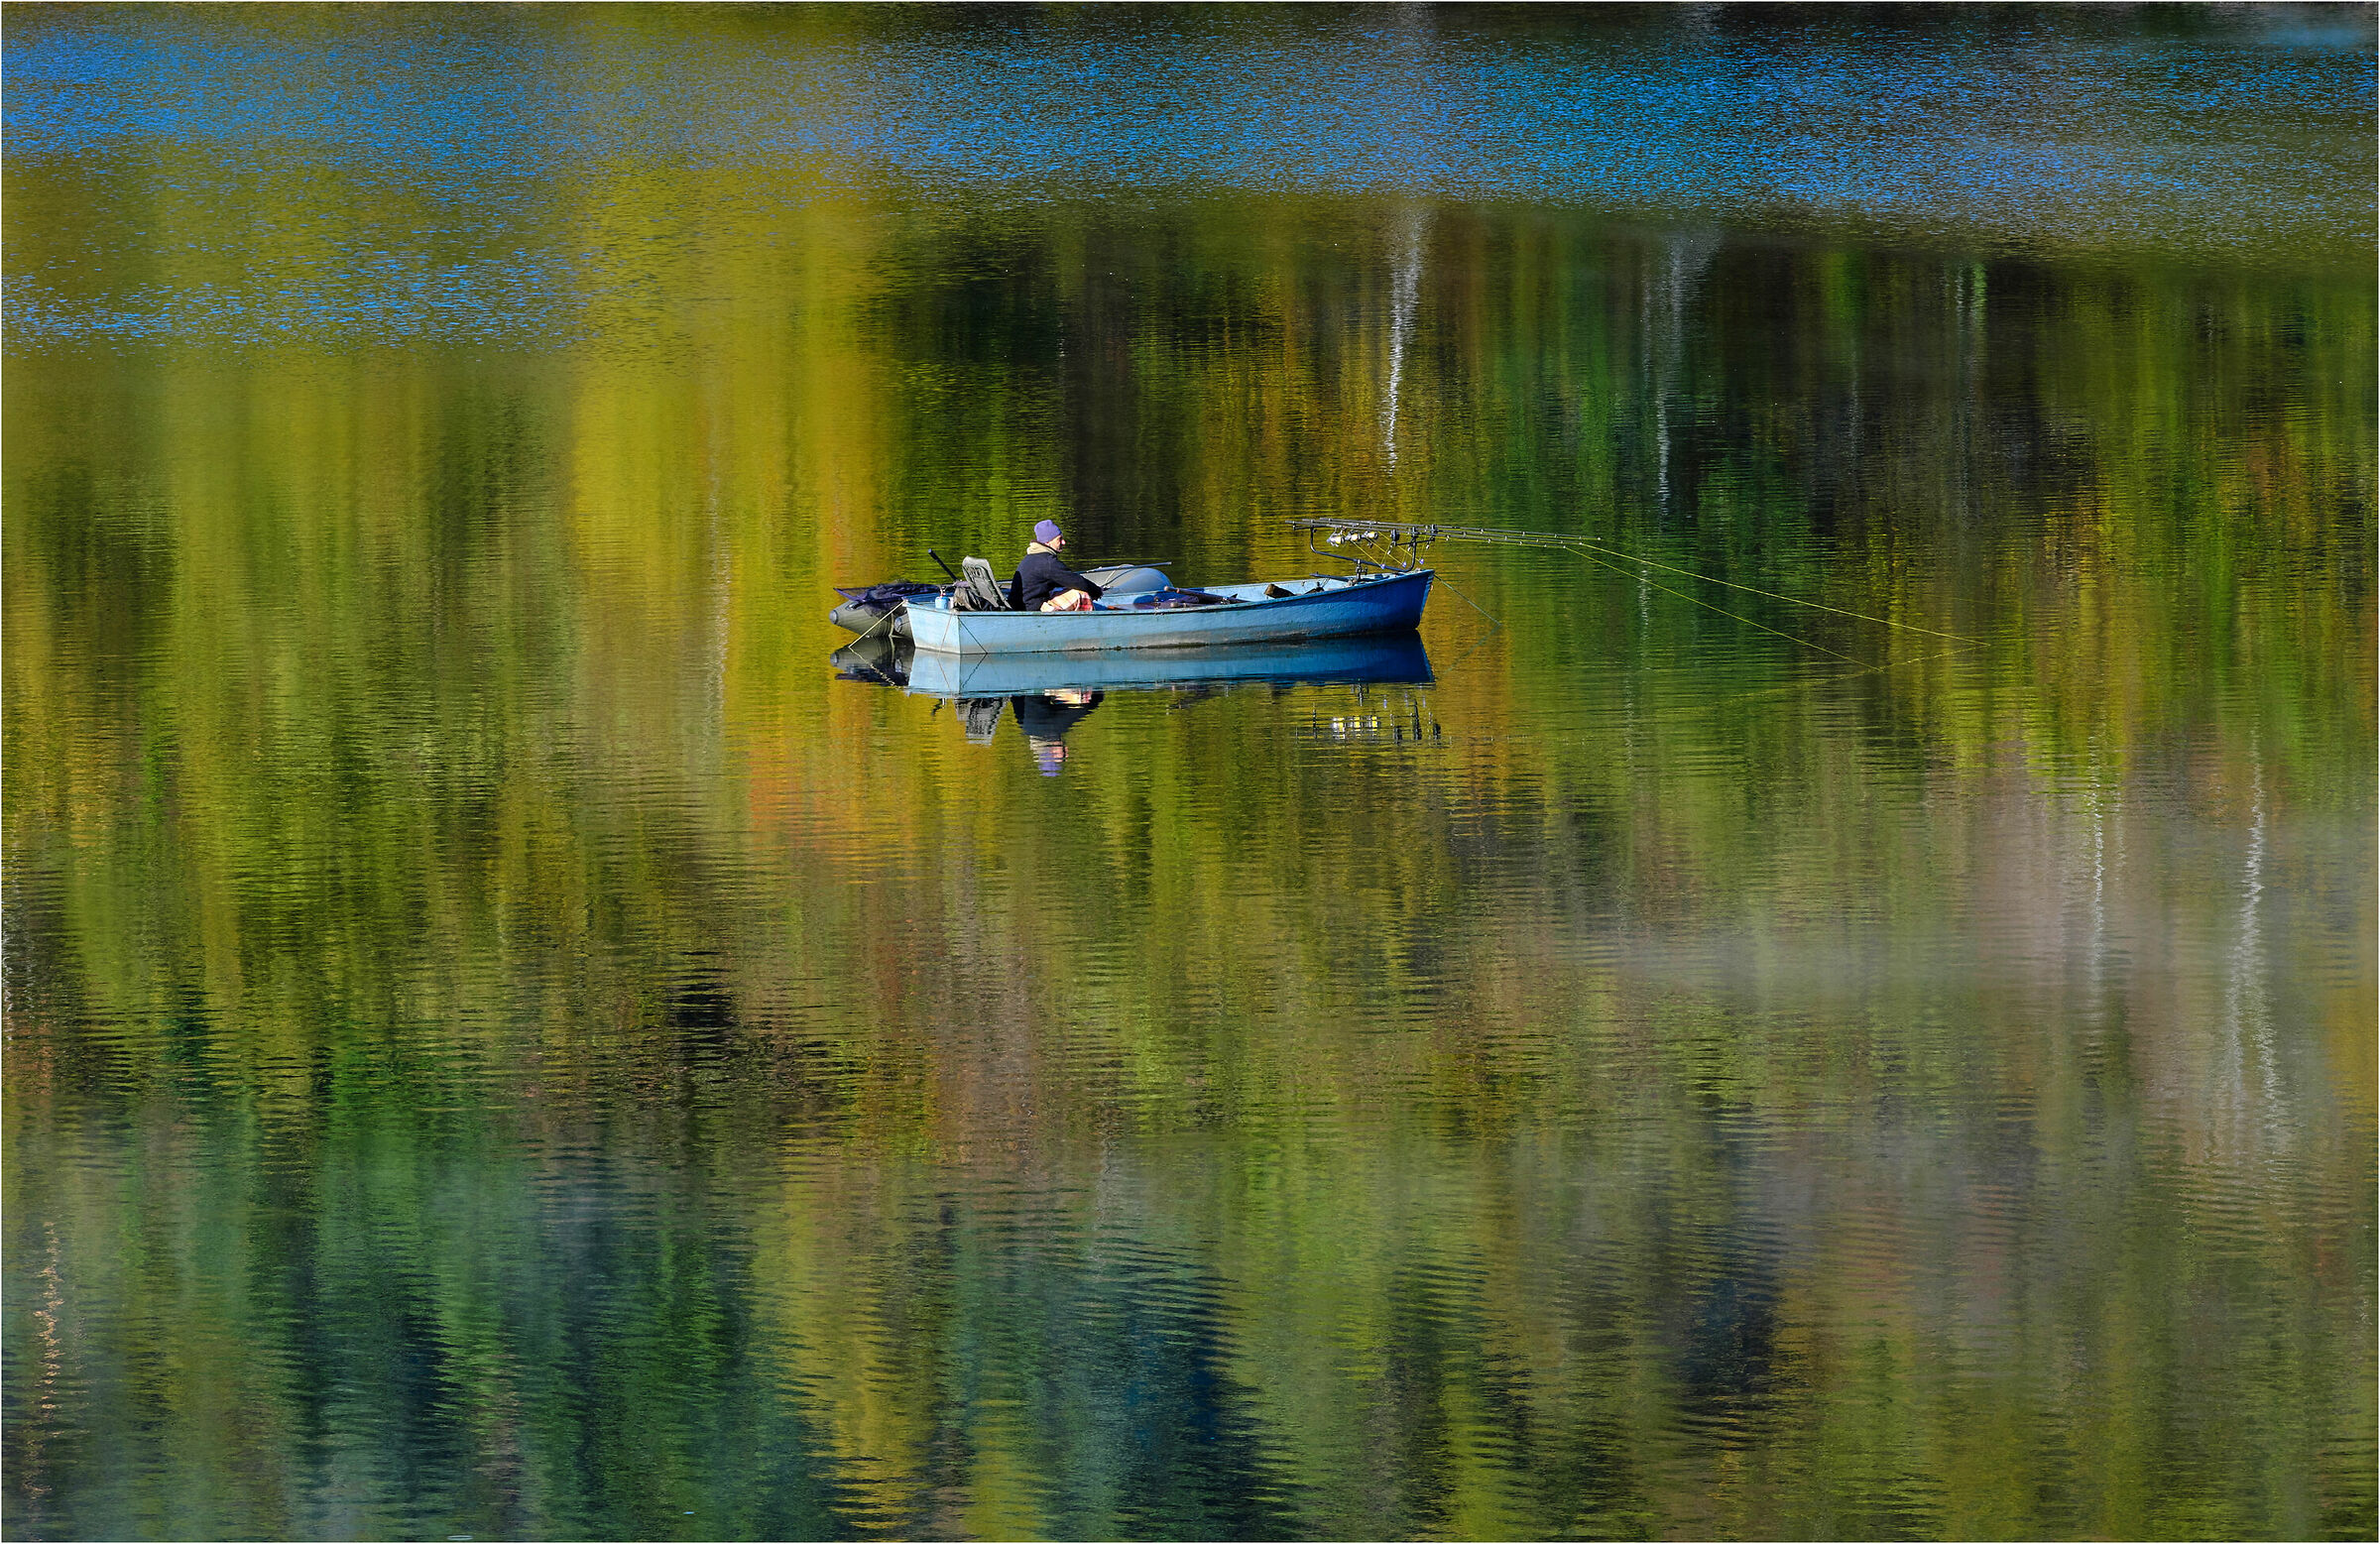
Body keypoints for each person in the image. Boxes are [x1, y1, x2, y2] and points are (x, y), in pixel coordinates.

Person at [1009, 520, 1105, 613]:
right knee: (1081, 594)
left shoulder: (1031, 557)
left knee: (1063, 588)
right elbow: (1077, 582)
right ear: (1047, 542)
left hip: (1023, 605)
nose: (1064, 542)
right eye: (1059, 539)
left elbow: (1064, 579)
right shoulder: (1048, 562)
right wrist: (1097, 591)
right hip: (1032, 610)